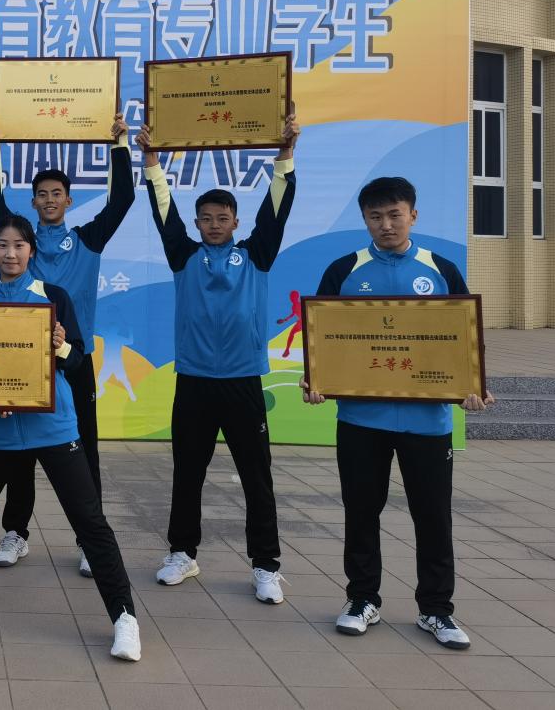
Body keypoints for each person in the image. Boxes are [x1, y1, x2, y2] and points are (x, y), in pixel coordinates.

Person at [0, 214, 141, 661]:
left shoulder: (54, 297)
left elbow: (76, 361)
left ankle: (124, 617)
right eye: (2, 245)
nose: (10, 253)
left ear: (31, 250)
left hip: (54, 429)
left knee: (90, 521)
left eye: (19, 245)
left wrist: (60, 345)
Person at [302, 175, 494, 649]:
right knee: (360, 512)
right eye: (375, 217)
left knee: (433, 517)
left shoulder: (440, 269)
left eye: (395, 215)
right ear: (364, 220)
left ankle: (436, 609)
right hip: (360, 421)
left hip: (428, 423)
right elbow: (322, 339)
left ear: (413, 215)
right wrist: (316, 379)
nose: (386, 225)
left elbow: (463, 339)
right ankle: (362, 599)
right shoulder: (344, 270)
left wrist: (471, 387)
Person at [138, 112, 299, 604]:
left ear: (235, 222)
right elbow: (162, 210)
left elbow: (276, 210)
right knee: (187, 473)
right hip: (194, 381)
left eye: (222, 219)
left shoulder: (256, 255)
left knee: (256, 477)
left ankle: (266, 565)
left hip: (243, 381)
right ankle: (182, 553)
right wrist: (151, 161)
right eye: (206, 219)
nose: (213, 225)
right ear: (197, 224)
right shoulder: (183, 255)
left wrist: (286, 155)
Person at [0, 109, 133, 577]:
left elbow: (122, 198)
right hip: (19, 362)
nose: (49, 200)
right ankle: (16, 532)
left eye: (56, 194)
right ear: (33, 200)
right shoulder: (21, 241)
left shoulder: (87, 240)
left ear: (68, 200)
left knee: (84, 450)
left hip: (72, 360)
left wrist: (120, 144)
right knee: (19, 451)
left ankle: (88, 540)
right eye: (42, 194)